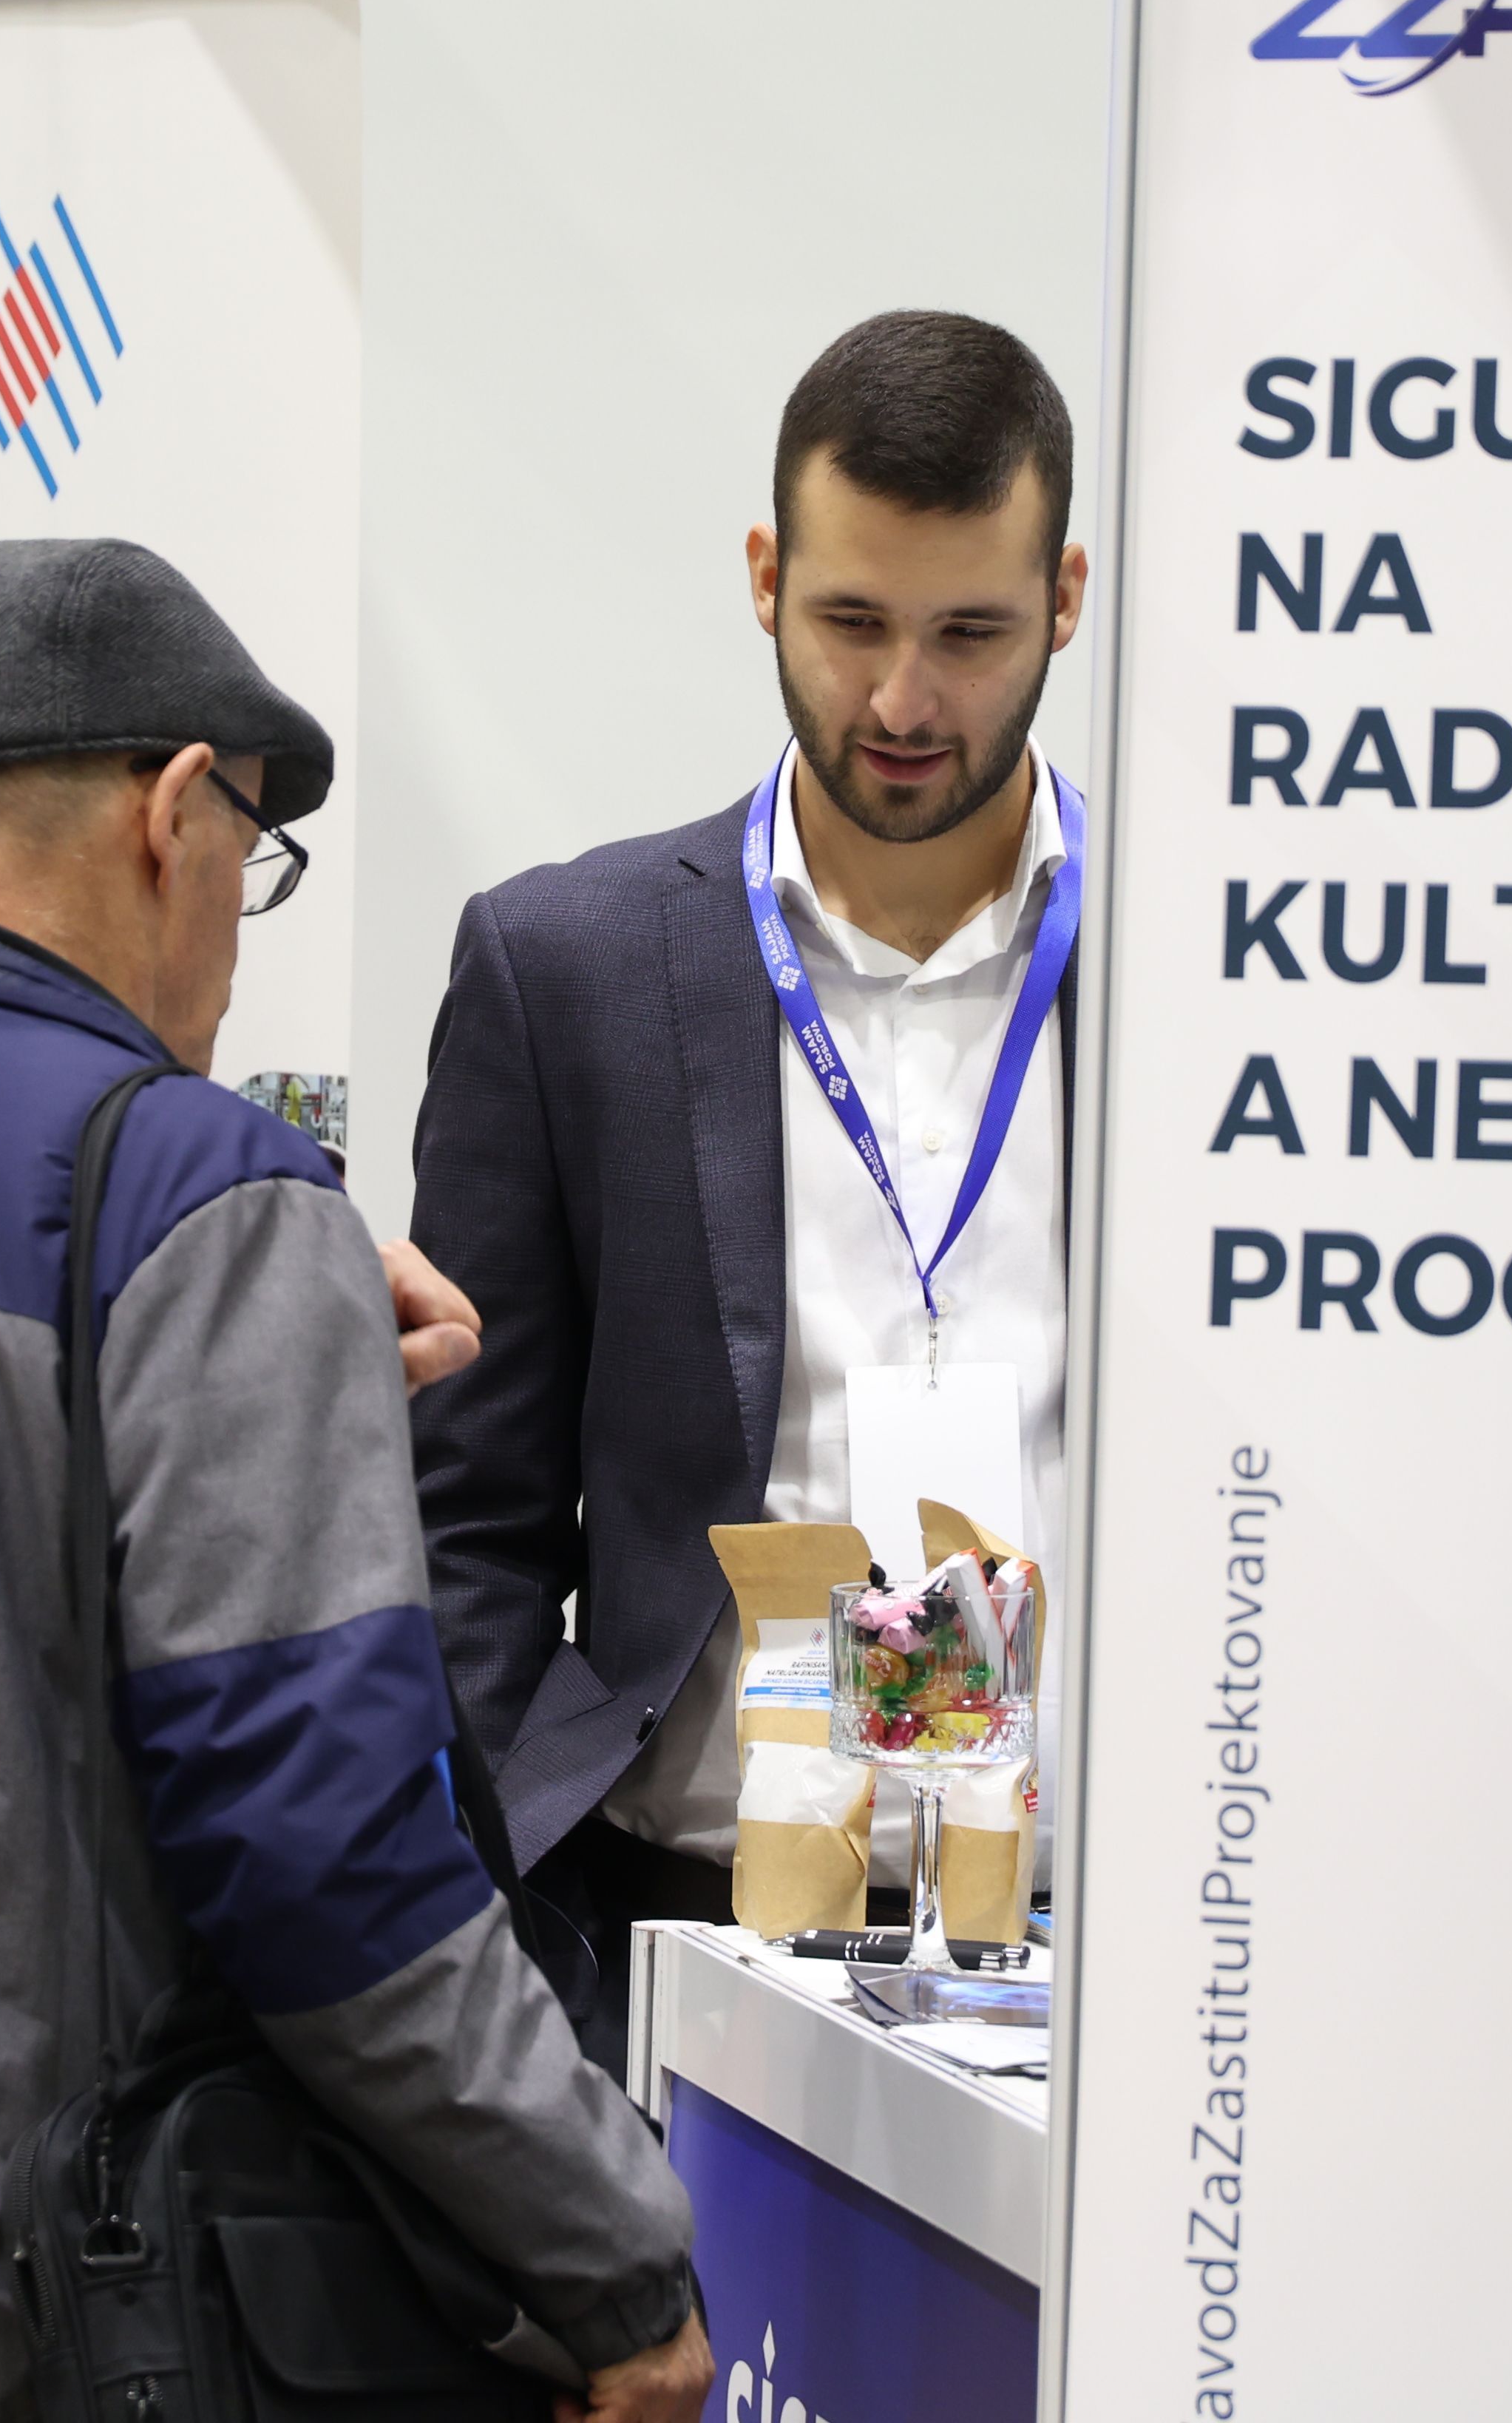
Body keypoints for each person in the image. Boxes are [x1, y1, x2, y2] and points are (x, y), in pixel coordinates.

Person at [0, 538, 709, 2423]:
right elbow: (325, 1846)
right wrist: (609, 2248)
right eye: (254, 852)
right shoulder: (209, 1193)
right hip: (53, 2310)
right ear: (177, 810)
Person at [407, 311, 1089, 2063]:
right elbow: (465, 1518)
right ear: (766, 577)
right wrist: (519, 1908)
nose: (904, 702)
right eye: (853, 621)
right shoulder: (568, 966)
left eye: (971, 633)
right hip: (680, 1945)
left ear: (1066, 601)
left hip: (1106, 1957)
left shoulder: (1209, 978)